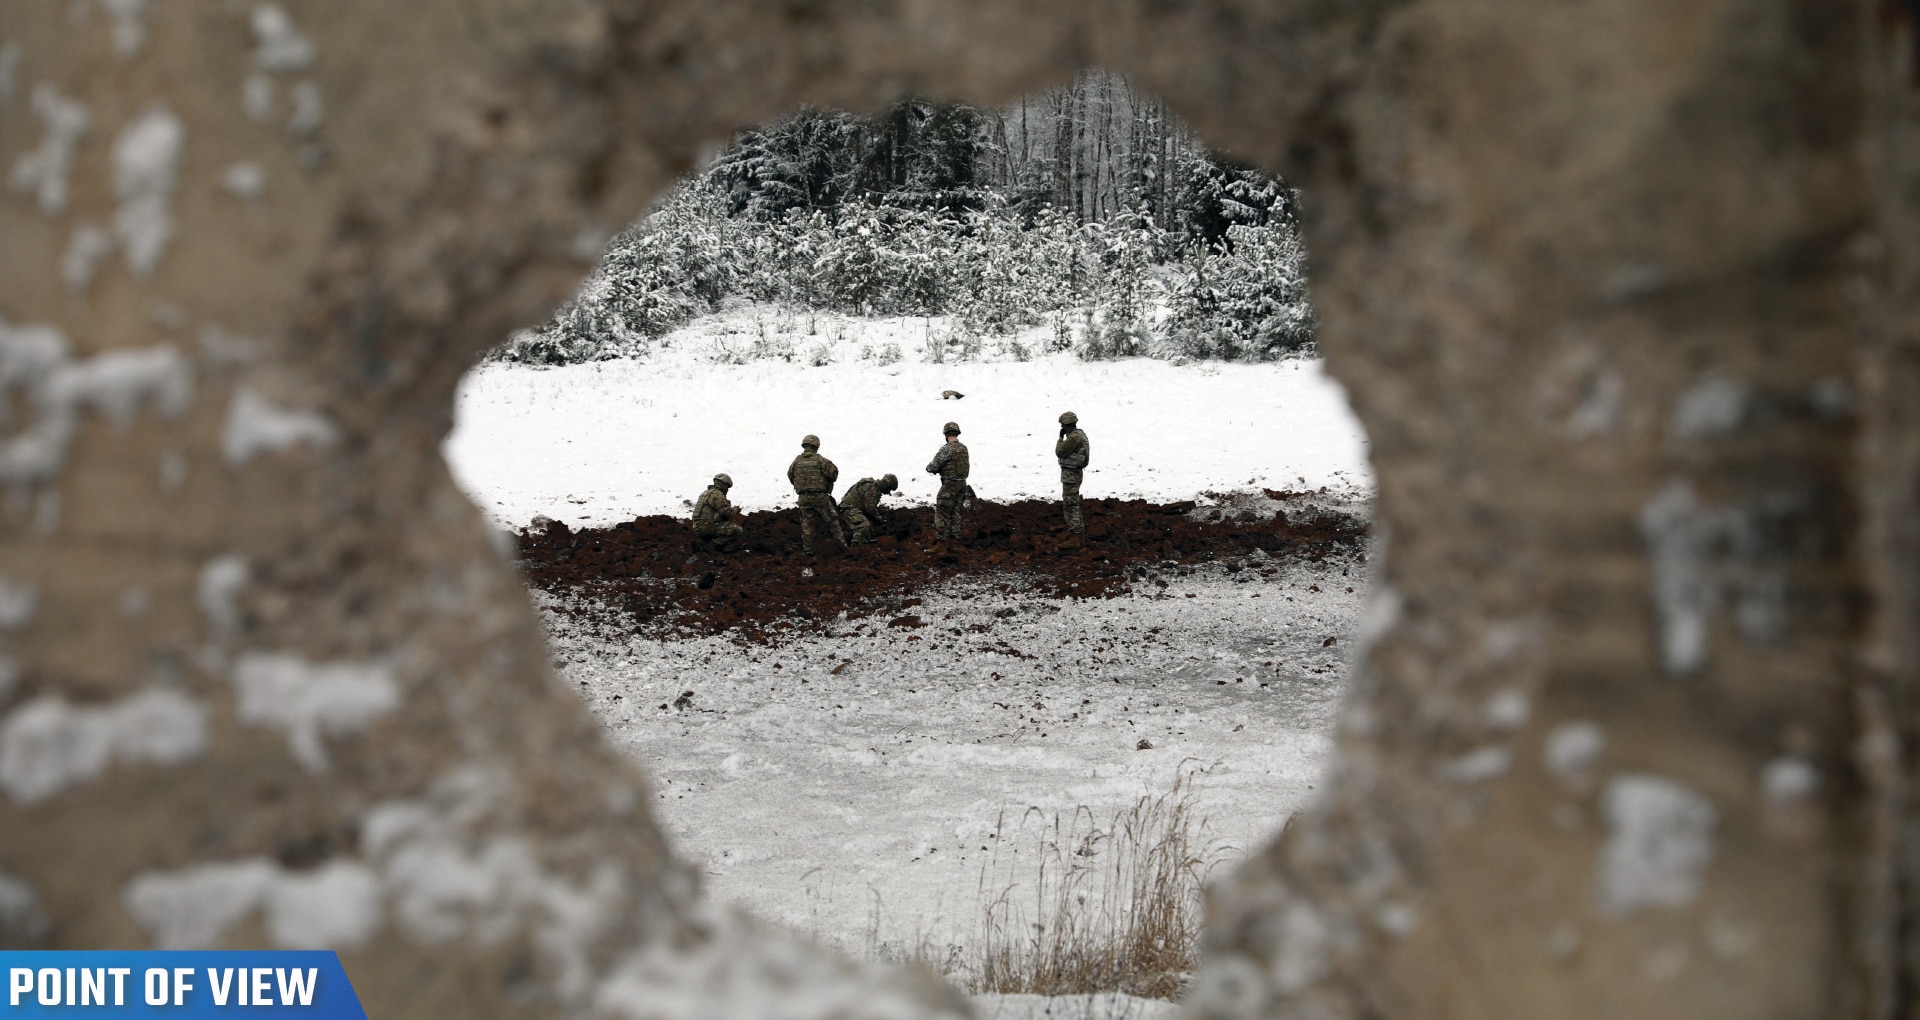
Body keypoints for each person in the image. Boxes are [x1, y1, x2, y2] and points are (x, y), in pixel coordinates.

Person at [787, 434, 846, 555]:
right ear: (816, 446)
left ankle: (808, 551)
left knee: (807, 526)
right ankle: (843, 547)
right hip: (819, 497)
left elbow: (790, 475)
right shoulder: (821, 460)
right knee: (833, 522)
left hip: (803, 498)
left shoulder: (796, 461)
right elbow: (834, 474)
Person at [924, 422, 970, 543]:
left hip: (949, 485)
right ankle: (954, 542)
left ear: (946, 434)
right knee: (956, 512)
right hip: (962, 484)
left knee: (942, 511)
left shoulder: (947, 449)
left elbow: (933, 466)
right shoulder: (963, 448)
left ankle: (941, 543)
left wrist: (930, 468)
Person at [1055, 411, 1090, 539]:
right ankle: (1078, 535)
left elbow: (1060, 452)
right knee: (1073, 503)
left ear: (1067, 425)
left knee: (1070, 505)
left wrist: (1060, 439)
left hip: (1070, 474)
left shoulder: (1074, 438)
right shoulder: (1081, 435)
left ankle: (1075, 536)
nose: (1062, 428)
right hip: (1075, 473)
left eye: (1063, 425)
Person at [839, 473, 898, 545]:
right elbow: (870, 509)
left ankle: (864, 539)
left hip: (852, 507)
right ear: (886, 485)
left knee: (870, 522)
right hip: (848, 508)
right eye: (889, 489)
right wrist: (879, 520)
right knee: (864, 525)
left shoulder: (872, 485)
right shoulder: (873, 489)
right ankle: (856, 545)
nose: (888, 492)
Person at [691, 473, 744, 552]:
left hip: (697, 526)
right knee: (737, 530)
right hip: (706, 526)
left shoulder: (705, 493)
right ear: (723, 485)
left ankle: (703, 543)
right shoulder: (717, 494)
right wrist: (736, 509)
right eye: (727, 486)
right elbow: (726, 512)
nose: (727, 489)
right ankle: (712, 546)